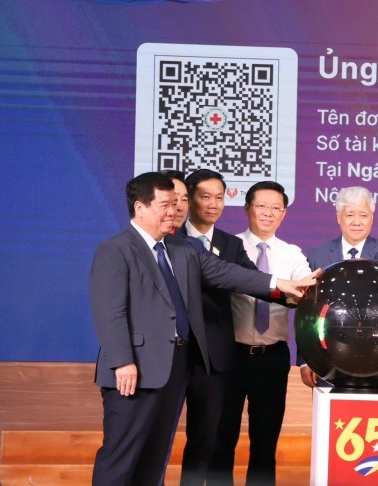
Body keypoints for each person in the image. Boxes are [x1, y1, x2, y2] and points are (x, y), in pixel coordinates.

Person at [89, 172, 314, 486]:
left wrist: (280, 284)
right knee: (122, 456)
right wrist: (122, 361)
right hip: (133, 372)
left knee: (155, 456)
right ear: (140, 208)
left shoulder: (181, 249)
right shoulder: (116, 249)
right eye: (165, 205)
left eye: (176, 203)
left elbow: (228, 273)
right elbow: (109, 312)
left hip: (171, 373)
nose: (174, 211)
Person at [209, 181, 312, 485]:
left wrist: (291, 292)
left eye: (276, 208)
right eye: (261, 206)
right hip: (229, 356)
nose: (268, 213)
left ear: (283, 214)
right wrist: (281, 289)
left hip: (271, 358)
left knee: (265, 443)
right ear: (247, 209)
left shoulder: (293, 254)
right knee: (221, 438)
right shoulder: (227, 247)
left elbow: (303, 295)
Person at [176, 169, 257, 485]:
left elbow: (251, 279)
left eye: (219, 197)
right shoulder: (170, 238)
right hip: (174, 353)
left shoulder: (230, 244)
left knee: (205, 438)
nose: (213, 204)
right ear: (189, 198)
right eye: (204, 196)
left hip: (214, 356)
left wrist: (291, 293)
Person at [299, 186, 378, 388]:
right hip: (327, 357)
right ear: (339, 217)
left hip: (376, 357)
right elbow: (307, 312)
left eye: (363, 214)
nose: (357, 221)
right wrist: (305, 359)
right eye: (350, 214)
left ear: (372, 217)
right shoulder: (317, 255)